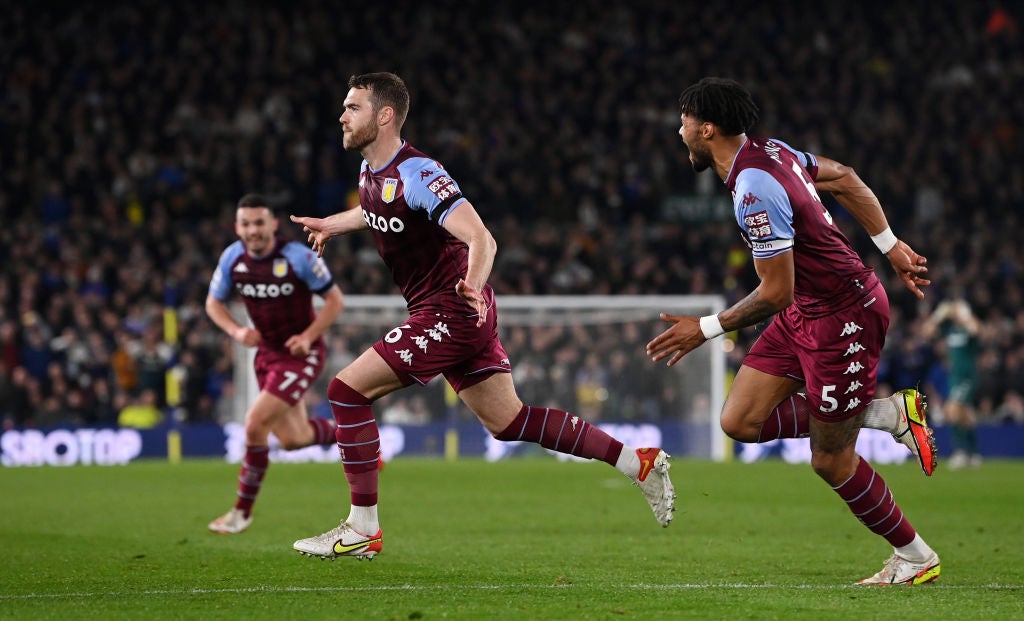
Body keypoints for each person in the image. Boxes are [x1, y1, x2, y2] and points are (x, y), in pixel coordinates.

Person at [289, 72, 675, 560]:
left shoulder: (419, 173)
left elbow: (481, 238)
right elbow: (377, 211)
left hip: (452, 307)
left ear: (384, 116)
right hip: (454, 311)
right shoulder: (372, 174)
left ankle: (363, 528)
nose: (342, 115)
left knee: (345, 390)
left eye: (353, 107)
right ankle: (635, 462)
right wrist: (333, 225)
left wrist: (470, 286)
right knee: (508, 421)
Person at [646, 77, 940, 585]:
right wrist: (890, 244)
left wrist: (707, 328)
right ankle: (886, 413)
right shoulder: (771, 151)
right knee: (739, 421)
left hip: (843, 316)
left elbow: (775, 291)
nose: (680, 130)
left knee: (830, 459)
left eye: (685, 121)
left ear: (707, 128)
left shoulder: (753, 187)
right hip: (807, 308)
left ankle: (916, 556)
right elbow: (845, 176)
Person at [206, 193, 345, 534]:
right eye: (246, 224)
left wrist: (309, 336)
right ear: (237, 227)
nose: (253, 230)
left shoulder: (297, 258)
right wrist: (237, 331)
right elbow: (213, 304)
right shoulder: (232, 259)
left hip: (301, 354)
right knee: (294, 439)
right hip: (267, 354)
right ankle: (354, 437)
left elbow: (334, 301)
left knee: (254, 424)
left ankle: (241, 513)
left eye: (259, 223)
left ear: (272, 225)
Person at [923, 297, 982, 468]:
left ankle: (961, 452)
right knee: (966, 415)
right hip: (954, 376)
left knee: (952, 409)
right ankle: (974, 454)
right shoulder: (949, 329)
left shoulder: (968, 328)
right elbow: (927, 332)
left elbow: (977, 330)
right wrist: (937, 315)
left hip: (966, 376)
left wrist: (966, 315)